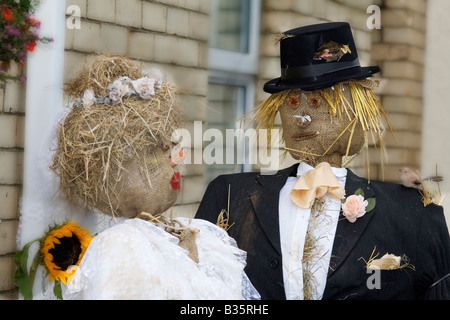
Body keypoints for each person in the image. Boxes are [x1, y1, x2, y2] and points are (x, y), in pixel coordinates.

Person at [195, 22, 450, 300]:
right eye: (292, 104)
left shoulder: (414, 212)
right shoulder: (230, 197)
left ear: (356, 109)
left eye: (317, 103)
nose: (303, 118)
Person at [50, 55, 260, 300]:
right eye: (152, 157)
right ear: (112, 172)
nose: (176, 159)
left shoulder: (204, 235)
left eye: (168, 148)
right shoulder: (118, 245)